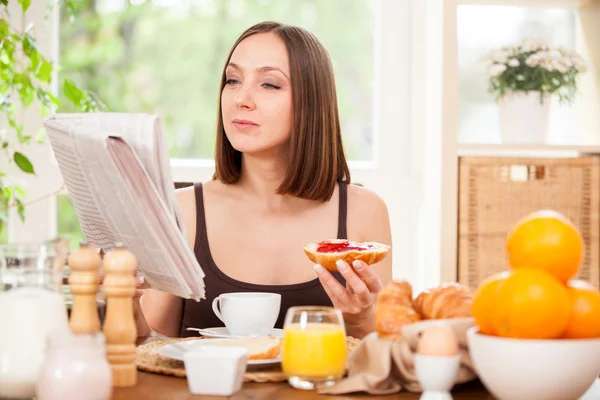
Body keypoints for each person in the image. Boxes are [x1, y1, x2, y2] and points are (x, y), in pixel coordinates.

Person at [135, 21, 392, 340]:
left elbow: (381, 354)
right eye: (232, 79)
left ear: (311, 103)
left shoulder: (364, 212)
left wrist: (361, 319)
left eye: (269, 84)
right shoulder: (179, 211)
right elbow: (149, 346)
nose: (241, 98)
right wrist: (124, 295)